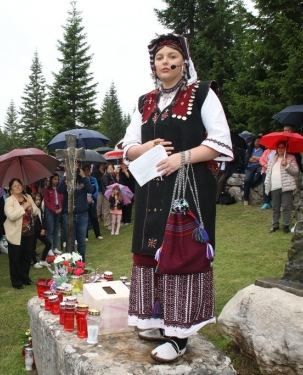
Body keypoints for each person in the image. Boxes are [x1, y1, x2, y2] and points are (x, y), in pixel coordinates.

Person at [122, 33, 233, 362]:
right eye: (159, 58)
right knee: (150, 250)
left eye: (172, 56)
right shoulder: (146, 102)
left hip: (187, 190)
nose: (166, 62)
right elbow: (127, 147)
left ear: (184, 61)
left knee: (178, 255)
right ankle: (157, 320)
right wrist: (147, 148)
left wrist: (180, 158)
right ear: (152, 65)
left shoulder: (202, 94)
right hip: (151, 190)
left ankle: (179, 335)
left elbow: (222, 143)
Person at [4, 178, 40, 289]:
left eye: (19, 185)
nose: (18, 187)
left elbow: (36, 211)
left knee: (27, 256)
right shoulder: (9, 200)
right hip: (16, 233)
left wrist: (31, 207)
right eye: (15, 186)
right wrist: (23, 207)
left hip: (29, 232)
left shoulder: (27, 197)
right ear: (11, 189)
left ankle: (25, 277)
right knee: (15, 258)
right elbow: (11, 216)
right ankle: (17, 281)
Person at [57, 166, 94, 262]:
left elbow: (90, 190)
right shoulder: (67, 179)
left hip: (82, 215)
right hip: (68, 215)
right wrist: (66, 175)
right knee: (70, 242)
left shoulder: (84, 180)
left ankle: (81, 264)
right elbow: (59, 190)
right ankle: (70, 265)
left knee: (82, 242)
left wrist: (84, 177)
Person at [264, 141, 299, 233]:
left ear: (285, 148)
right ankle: (275, 225)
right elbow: (268, 172)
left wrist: (287, 165)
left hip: (286, 186)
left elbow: (295, 172)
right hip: (274, 186)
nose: (280, 149)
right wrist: (267, 183)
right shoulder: (272, 159)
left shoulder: (291, 158)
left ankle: (286, 225)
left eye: (282, 147)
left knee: (286, 207)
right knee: (275, 207)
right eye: (279, 147)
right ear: (276, 148)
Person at [42, 174, 63, 255]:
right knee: (50, 229)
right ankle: (49, 248)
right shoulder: (47, 190)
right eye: (54, 179)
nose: (56, 181)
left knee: (56, 229)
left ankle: (55, 247)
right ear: (51, 180)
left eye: (57, 179)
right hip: (50, 211)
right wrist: (54, 210)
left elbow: (62, 199)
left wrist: (61, 208)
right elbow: (46, 202)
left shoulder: (59, 189)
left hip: (59, 209)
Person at [82, 165, 103, 241]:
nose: (86, 172)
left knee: (94, 218)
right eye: (85, 170)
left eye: (87, 170)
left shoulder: (93, 179)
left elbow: (96, 189)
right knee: (85, 219)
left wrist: (92, 197)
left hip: (92, 201)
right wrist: (85, 198)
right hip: (84, 201)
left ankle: (98, 234)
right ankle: (85, 236)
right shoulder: (81, 180)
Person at [32, 193, 53, 269]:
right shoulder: (32, 210)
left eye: (39, 200)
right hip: (34, 231)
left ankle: (43, 260)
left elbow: (42, 220)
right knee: (32, 247)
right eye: (36, 200)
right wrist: (40, 230)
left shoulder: (40, 209)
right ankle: (34, 262)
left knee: (48, 244)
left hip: (40, 230)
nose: (38, 201)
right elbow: (34, 223)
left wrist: (44, 229)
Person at [243, 135, 265, 205]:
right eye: (255, 141)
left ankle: (252, 184)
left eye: (258, 141)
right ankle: (245, 199)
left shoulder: (263, 150)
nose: (256, 142)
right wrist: (258, 158)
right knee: (247, 180)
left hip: (259, 166)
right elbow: (249, 159)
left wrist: (255, 157)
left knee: (260, 173)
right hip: (250, 167)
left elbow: (263, 159)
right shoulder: (249, 149)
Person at [100, 163, 116, 229]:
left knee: (112, 208)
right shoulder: (105, 176)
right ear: (106, 169)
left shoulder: (111, 176)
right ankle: (107, 224)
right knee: (107, 209)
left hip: (112, 194)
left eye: (111, 168)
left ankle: (111, 223)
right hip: (107, 194)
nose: (110, 169)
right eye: (109, 168)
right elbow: (107, 185)